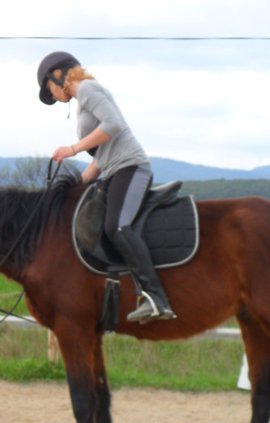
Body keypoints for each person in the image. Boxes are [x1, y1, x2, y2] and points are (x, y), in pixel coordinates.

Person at [37, 51, 176, 323]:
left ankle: (156, 298)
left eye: (49, 90)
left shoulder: (87, 88)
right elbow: (102, 157)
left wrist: (73, 149)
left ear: (58, 75)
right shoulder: (83, 101)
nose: (53, 96)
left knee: (117, 227)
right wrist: (76, 185)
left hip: (131, 168)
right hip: (114, 171)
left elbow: (114, 124)